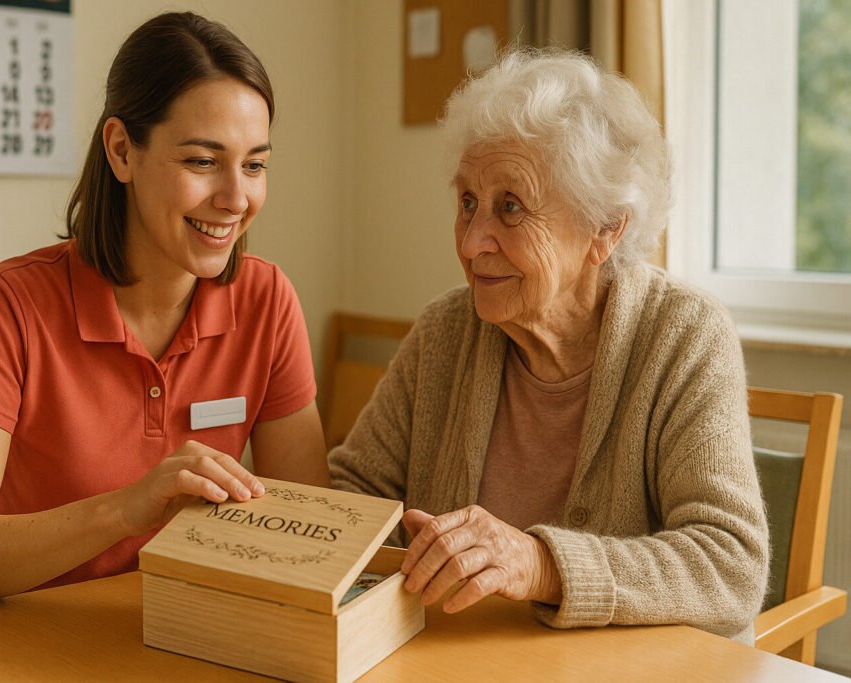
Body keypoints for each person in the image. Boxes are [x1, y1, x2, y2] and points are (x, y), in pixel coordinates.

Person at [329, 48, 769, 643]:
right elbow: (353, 496)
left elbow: (730, 565)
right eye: (466, 203)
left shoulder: (684, 337)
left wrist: (542, 565)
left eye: (510, 208)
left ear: (604, 229)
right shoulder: (444, 333)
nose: (472, 242)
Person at [0, 12, 329, 605]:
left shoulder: (267, 300)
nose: (237, 198)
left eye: (255, 164)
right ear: (121, 151)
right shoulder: (10, 303)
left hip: (166, 639)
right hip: (5, 645)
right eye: (202, 162)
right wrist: (125, 508)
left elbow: (310, 531)